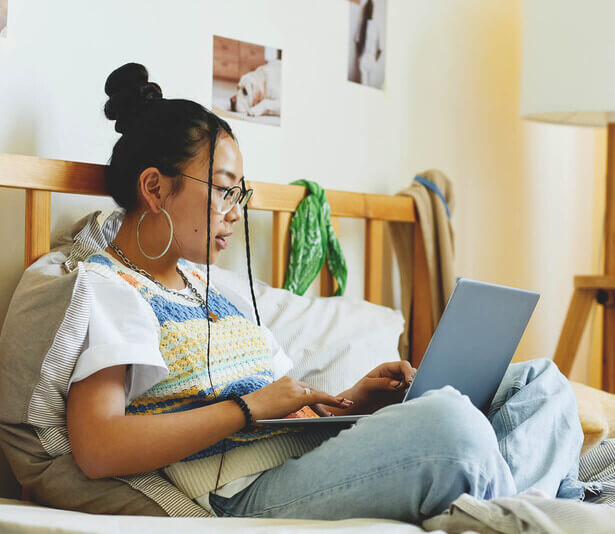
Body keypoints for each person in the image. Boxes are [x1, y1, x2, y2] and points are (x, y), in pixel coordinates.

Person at [65, 62, 584, 523]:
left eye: (239, 193)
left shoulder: (207, 288)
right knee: (450, 424)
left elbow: (283, 408)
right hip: (241, 489)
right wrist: (248, 408)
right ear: (154, 189)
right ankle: (522, 500)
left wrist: (351, 400)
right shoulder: (112, 288)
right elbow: (98, 445)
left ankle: (507, 507)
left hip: (307, 449)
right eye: (225, 189)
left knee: (542, 385)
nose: (236, 211)